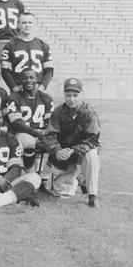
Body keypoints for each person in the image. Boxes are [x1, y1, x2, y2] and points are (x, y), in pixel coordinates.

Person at [42, 78, 101, 206]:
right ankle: (79, 179)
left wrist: (74, 150)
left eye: (76, 95)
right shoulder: (58, 112)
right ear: (64, 94)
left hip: (81, 152)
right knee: (63, 195)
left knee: (92, 155)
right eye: (68, 95)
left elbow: (93, 139)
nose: (72, 99)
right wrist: (57, 151)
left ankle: (92, 196)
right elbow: (49, 135)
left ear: (82, 94)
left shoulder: (89, 113)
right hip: (63, 153)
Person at [4, 68, 54, 173]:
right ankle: (30, 173)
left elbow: (50, 121)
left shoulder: (46, 98)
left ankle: (44, 178)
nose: (28, 80)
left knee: (61, 143)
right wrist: (36, 133)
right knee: (29, 142)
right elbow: (17, 123)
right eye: (25, 78)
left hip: (42, 132)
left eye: (31, 77)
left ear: (37, 79)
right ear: (20, 80)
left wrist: (46, 132)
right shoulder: (14, 97)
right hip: (23, 132)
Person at [1, 12, 54, 92]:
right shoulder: (10, 45)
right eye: (24, 22)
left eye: (30, 22)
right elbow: (5, 71)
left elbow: (49, 70)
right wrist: (14, 88)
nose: (27, 25)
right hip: (19, 87)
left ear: (33, 24)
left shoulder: (43, 45)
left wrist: (41, 88)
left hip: (37, 88)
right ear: (18, 24)